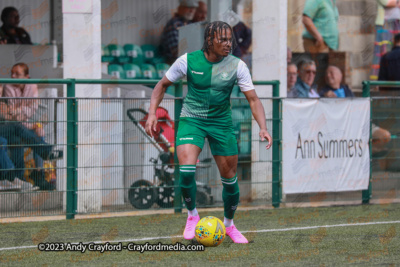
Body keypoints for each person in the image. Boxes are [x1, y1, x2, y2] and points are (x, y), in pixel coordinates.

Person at [145, 21, 272, 243]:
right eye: (222, 39)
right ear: (210, 40)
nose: (228, 44)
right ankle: (192, 215)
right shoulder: (188, 60)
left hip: (221, 123)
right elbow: (162, 85)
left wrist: (263, 127)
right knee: (185, 171)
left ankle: (229, 225)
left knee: (229, 180)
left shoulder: (237, 65)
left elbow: (253, 99)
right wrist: (152, 112)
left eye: (229, 39)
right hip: (191, 119)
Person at [320, 65, 391, 156]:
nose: (328, 76)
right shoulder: (323, 93)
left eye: (331, 73)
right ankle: (365, 154)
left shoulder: (347, 90)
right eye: (326, 74)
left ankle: (368, 151)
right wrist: (325, 97)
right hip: (343, 129)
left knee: (385, 136)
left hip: (359, 123)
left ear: (340, 76)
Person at [159, 0, 198, 65]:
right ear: (180, 8)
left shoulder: (189, 24)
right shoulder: (174, 24)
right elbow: (176, 52)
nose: (192, 11)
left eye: (193, 8)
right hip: (173, 63)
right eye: (188, 8)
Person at [370, 0, 400, 80]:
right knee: (382, 53)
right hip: (385, 23)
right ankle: (379, 81)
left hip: (397, 23)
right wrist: (397, 3)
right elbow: (385, 2)